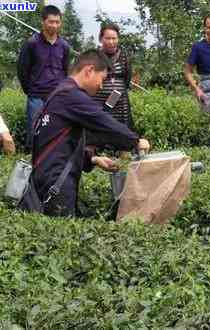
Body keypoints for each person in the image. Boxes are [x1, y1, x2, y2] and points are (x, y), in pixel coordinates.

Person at [29, 50, 150, 218]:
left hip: (49, 175)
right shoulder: (71, 95)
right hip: (56, 181)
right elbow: (103, 122)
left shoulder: (62, 91)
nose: (101, 86)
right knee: (63, 237)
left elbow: (62, 143)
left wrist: (93, 159)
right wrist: (135, 141)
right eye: (102, 79)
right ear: (89, 70)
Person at [17, 5, 71, 150]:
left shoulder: (64, 46)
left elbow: (66, 71)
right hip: (36, 96)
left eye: (57, 22)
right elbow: (22, 70)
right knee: (35, 131)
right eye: (51, 21)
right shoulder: (32, 43)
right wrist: (29, 89)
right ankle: (31, 163)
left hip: (56, 96)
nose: (54, 25)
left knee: (56, 131)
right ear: (43, 21)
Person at [93, 23, 134, 129]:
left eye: (114, 38)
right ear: (101, 39)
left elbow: (126, 80)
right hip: (98, 103)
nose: (111, 42)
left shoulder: (124, 57)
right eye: (107, 38)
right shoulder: (95, 56)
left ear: (118, 39)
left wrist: (112, 100)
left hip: (120, 106)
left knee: (121, 133)